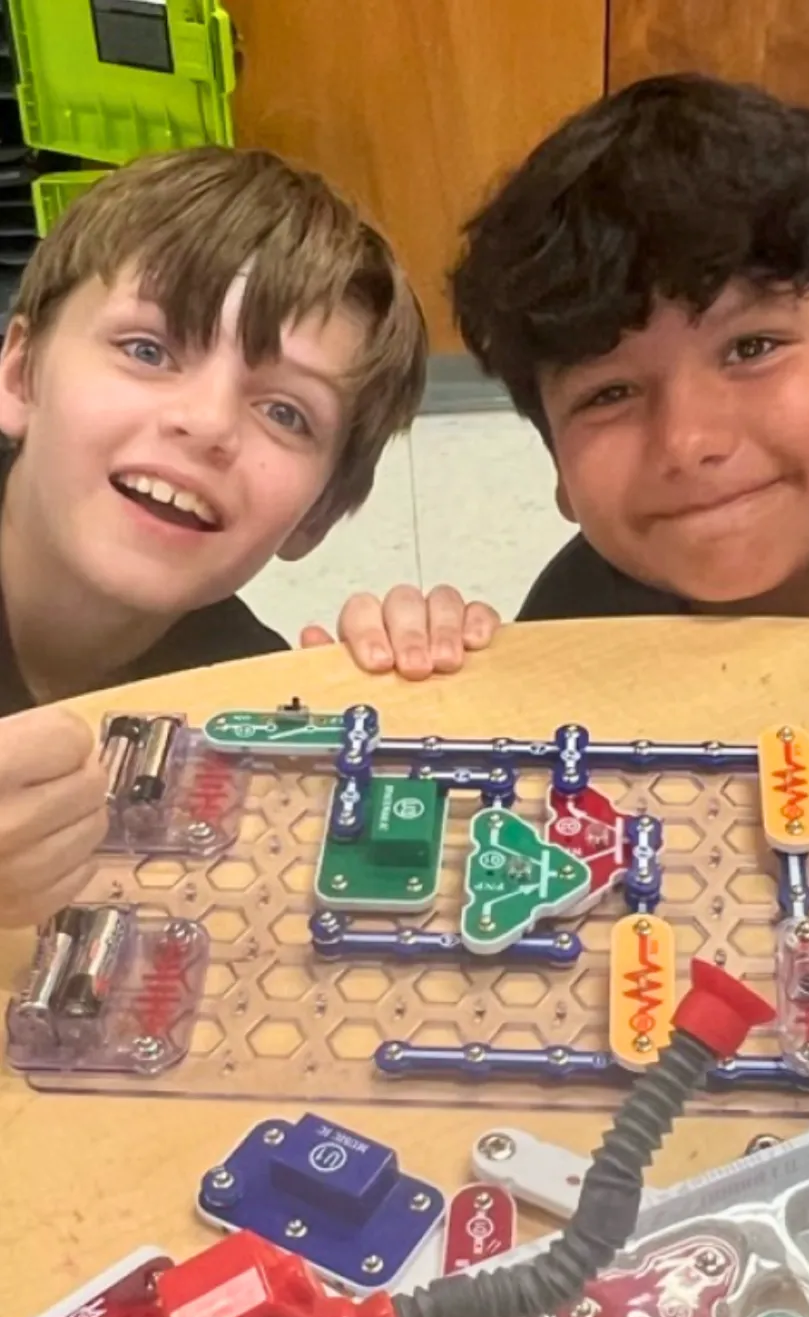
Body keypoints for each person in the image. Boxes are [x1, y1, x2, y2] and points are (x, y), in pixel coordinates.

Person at [349, 74, 809, 690]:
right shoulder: (583, 630)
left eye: (751, 347)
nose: (689, 440)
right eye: (610, 393)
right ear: (559, 468)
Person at [0, 145, 496, 927]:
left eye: (285, 412)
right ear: (19, 376)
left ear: (318, 515)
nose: (207, 425)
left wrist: (413, 693)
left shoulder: (242, 700)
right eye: (147, 350)